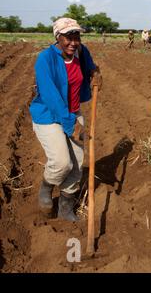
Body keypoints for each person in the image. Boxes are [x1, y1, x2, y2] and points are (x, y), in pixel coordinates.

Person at [30, 17, 102, 221]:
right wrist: (71, 126)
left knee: (78, 163)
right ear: (58, 37)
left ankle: (65, 207)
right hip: (49, 115)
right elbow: (52, 97)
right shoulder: (45, 59)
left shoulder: (81, 51)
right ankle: (46, 187)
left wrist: (96, 73)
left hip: (73, 111)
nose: (73, 42)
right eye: (67, 37)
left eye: (76, 36)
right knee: (62, 162)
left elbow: (91, 67)